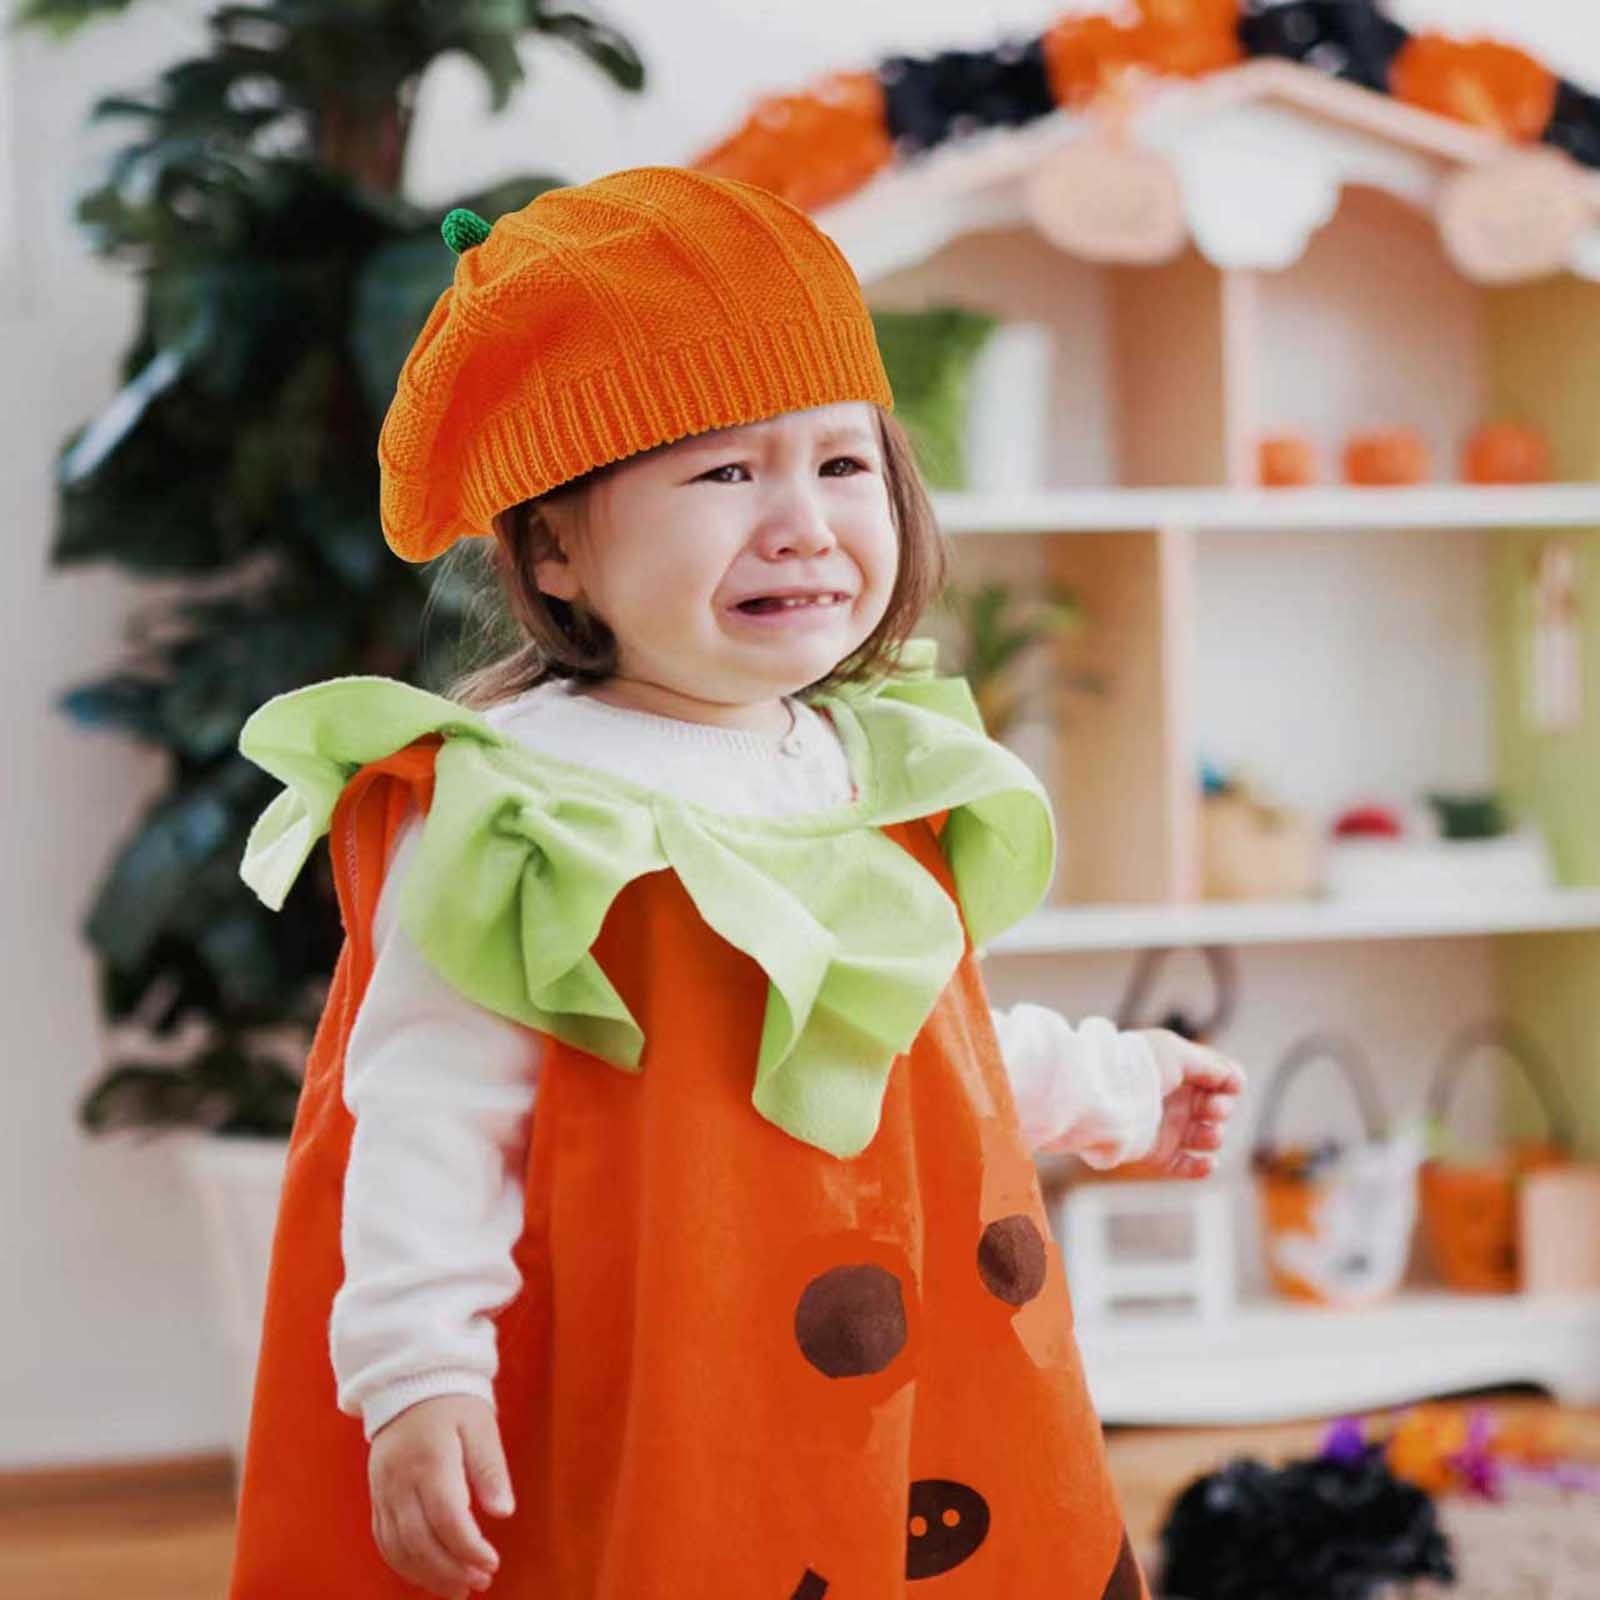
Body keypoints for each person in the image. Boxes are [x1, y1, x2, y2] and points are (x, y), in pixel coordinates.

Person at [226, 165, 1244, 1600]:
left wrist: (1114, 1085)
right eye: (724, 472)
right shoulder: (523, 806)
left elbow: (909, 1051)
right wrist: (417, 1370)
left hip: (900, 1383)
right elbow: (426, 1115)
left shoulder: (865, 768)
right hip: (666, 1395)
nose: (804, 522)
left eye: (841, 464)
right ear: (560, 546)